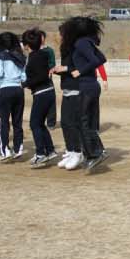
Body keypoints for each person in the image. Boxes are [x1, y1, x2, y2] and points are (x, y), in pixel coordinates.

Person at [52, 17, 107, 173]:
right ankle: (93, 153)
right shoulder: (86, 42)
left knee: (83, 122)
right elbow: (102, 58)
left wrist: (79, 71)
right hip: (88, 85)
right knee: (84, 122)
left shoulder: (81, 43)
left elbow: (95, 60)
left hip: (87, 86)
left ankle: (96, 153)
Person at [22, 28, 57, 166]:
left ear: (26, 45)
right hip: (47, 91)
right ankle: (50, 151)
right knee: (40, 124)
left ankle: (41, 154)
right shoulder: (42, 54)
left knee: (34, 124)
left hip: (42, 93)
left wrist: (25, 84)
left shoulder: (34, 57)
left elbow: (41, 76)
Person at [0, 32, 27, 160]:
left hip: (5, 89)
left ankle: (5, 150)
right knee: (17, 121)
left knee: (4, 121)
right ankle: (18, 148)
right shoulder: (20, 56)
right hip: (18, 89)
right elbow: (24, 77)